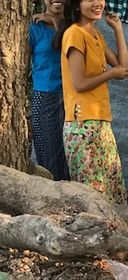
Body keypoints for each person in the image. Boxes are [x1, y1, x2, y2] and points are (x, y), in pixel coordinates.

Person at [53, 0, 128, 204]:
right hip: (82, 126)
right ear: (77, 5)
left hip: (100, 122)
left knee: (112, 192)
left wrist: (118, 30)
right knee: (93, 198)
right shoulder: (74, 34)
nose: (97, 3)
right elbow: (79, 84)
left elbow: (124, 67)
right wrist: (111, 73)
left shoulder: (95, 34)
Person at [29, 0, 70, 181]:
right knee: (49, 155)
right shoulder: (34, 27)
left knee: (70, 155)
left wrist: (55, 21)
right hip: (45, 97)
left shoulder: (74, 26)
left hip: (74, 98)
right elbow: (22, 67)